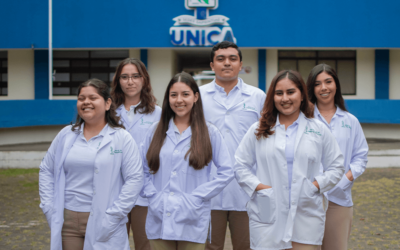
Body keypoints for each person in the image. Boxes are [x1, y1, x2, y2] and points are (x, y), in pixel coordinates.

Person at [234, 70, 345, 250]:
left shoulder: (318, 129)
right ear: (273, 97)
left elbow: (337, 166)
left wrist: (315, 186)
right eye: (279, 93)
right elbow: (240, 164)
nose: (285, 98)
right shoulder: (259, 129)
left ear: (302, 95)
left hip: (306, 211)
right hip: (267, 211)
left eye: (291, 92)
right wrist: (259, 187)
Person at [39, 79, 144, 250]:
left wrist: (114, 216)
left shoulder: (121, 138)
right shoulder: (66, 135)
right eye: (81, 98)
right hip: (68, 221)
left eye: (93, 98)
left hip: (105, 219)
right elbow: (46, 170)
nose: (86, 102)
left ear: (107, 103)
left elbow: (135, 179)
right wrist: (49, 207)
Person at [140, 72, 234, 250]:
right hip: (160, 215)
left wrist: (198, 196)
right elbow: (142, 168)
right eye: (173, 95)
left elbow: (227, 171)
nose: (179, 100)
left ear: (196, 97)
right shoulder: (155, 131)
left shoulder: (210, 132)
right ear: (168, 98)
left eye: (185, 94)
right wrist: (152, 194)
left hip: (192, 216)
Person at [200, 41, 266, 250]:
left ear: (240, 64)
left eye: (232, 59)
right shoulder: (198, 96)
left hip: (246, 189)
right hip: (208, 188)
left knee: (246, 246)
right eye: (220, 59)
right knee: (210, 246)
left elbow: (267, 138)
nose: (226, 63)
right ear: (212, 65)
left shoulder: (257, 96)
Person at [306, 64, 368, 250]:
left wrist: (347, 178)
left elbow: (361, 156)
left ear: (336, 85)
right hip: (308, 199)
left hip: (338, 200)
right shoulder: (303, 120)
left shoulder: (350, 121)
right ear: (312, 89)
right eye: (318, 84)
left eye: (328, 82)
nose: (323, 88)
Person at [111, 58, 161, 250]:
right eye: (124, 77)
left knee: (145, 244)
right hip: (114, 190)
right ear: (118, 81)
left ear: (144, 80)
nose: (130, 82)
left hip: (144, 192)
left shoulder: (158, 114)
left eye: (135, 76)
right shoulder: (108, 113)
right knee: (113, 243)